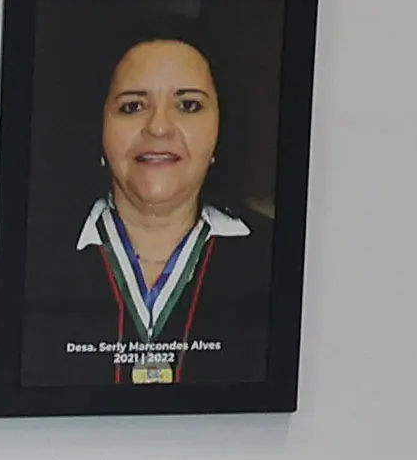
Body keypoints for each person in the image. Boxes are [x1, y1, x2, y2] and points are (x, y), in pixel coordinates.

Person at [25, 29, 281, 393]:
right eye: (132, 106)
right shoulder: (29, 259)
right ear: (96, 126)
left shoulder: (277, 260)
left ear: (222, 128)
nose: (158, 127)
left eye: (188, 105)